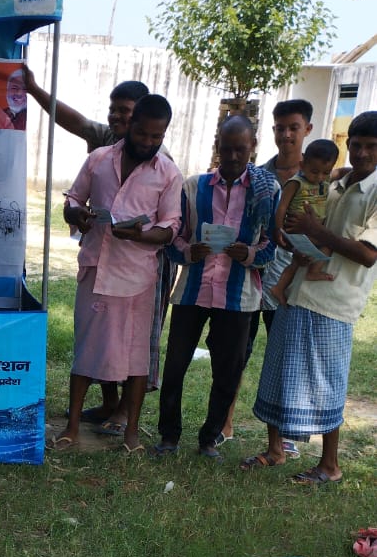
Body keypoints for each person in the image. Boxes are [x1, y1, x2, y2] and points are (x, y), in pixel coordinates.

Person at [23, 67, 161, 430]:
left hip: (140, 262)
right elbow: (75, 122)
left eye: (124, 111)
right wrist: (34, 90)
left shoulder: (157, 157)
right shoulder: (105, 145)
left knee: (131, 338)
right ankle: (108, 401)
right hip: (102, 254)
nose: (116, 117)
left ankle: (125, 412)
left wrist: (144, 234)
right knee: (100, 331)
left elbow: (171, 220)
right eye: (113, 110)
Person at [247, 111, 377, 484]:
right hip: (296, 292)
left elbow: (368, 255)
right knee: (277, 371)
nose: (362, 153)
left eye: (372, 146)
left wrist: (315, 231)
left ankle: (329, 464)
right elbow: (305, 221)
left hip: (334, 301)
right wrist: (296, 238)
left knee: (326, 383)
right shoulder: (334, 182)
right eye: (356, 144)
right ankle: (276, 449)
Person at [53, 94, 182, 455]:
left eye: (156, 137)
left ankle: (132, 435)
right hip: (96, 268)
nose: (148, 142)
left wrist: (139, 235)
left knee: (136, 359)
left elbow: (171, 228)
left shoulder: (168, 173)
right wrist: (76, 214)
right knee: (86, 350)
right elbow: (73, 199)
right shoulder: (98, 159)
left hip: (138, 277)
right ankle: (71, 428)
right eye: (142, 134)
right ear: (130, 125)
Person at [152, 116, 278, 460]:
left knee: (227, 371)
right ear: (217, 146)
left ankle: (209, 438)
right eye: (227, 148)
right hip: (192, 292)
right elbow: (173, 235)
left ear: (253, 147)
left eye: (241, 149)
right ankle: (168, 435)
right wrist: (187, 251)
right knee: (175, 365)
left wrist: (248, 254)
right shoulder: (194, 187)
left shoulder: (266, 191)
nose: (233, 156)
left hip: (239, 298)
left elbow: (272, 244)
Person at [218, 98, 316, 448]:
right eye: (280, 128)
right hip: (250, 280)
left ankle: (285, 435)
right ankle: (224, 424)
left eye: (294, 128)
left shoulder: (318, 178)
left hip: (291, 285)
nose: (286, 135)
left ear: (307, 129)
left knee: (286, 359)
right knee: (236, 356)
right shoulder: (257, 175)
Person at [269, 139, 340, 305]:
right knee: (328, 243)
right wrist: (278, 229)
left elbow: (341, 172)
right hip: (298, 227)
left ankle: (279, 287)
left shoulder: (325, 180)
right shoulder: (296, 182)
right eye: (314, 172)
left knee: (298, 260)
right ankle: (312, 272)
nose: (319, 177)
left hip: (313, 229)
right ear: (302, 165)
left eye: (325, 172)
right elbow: (282, 206)